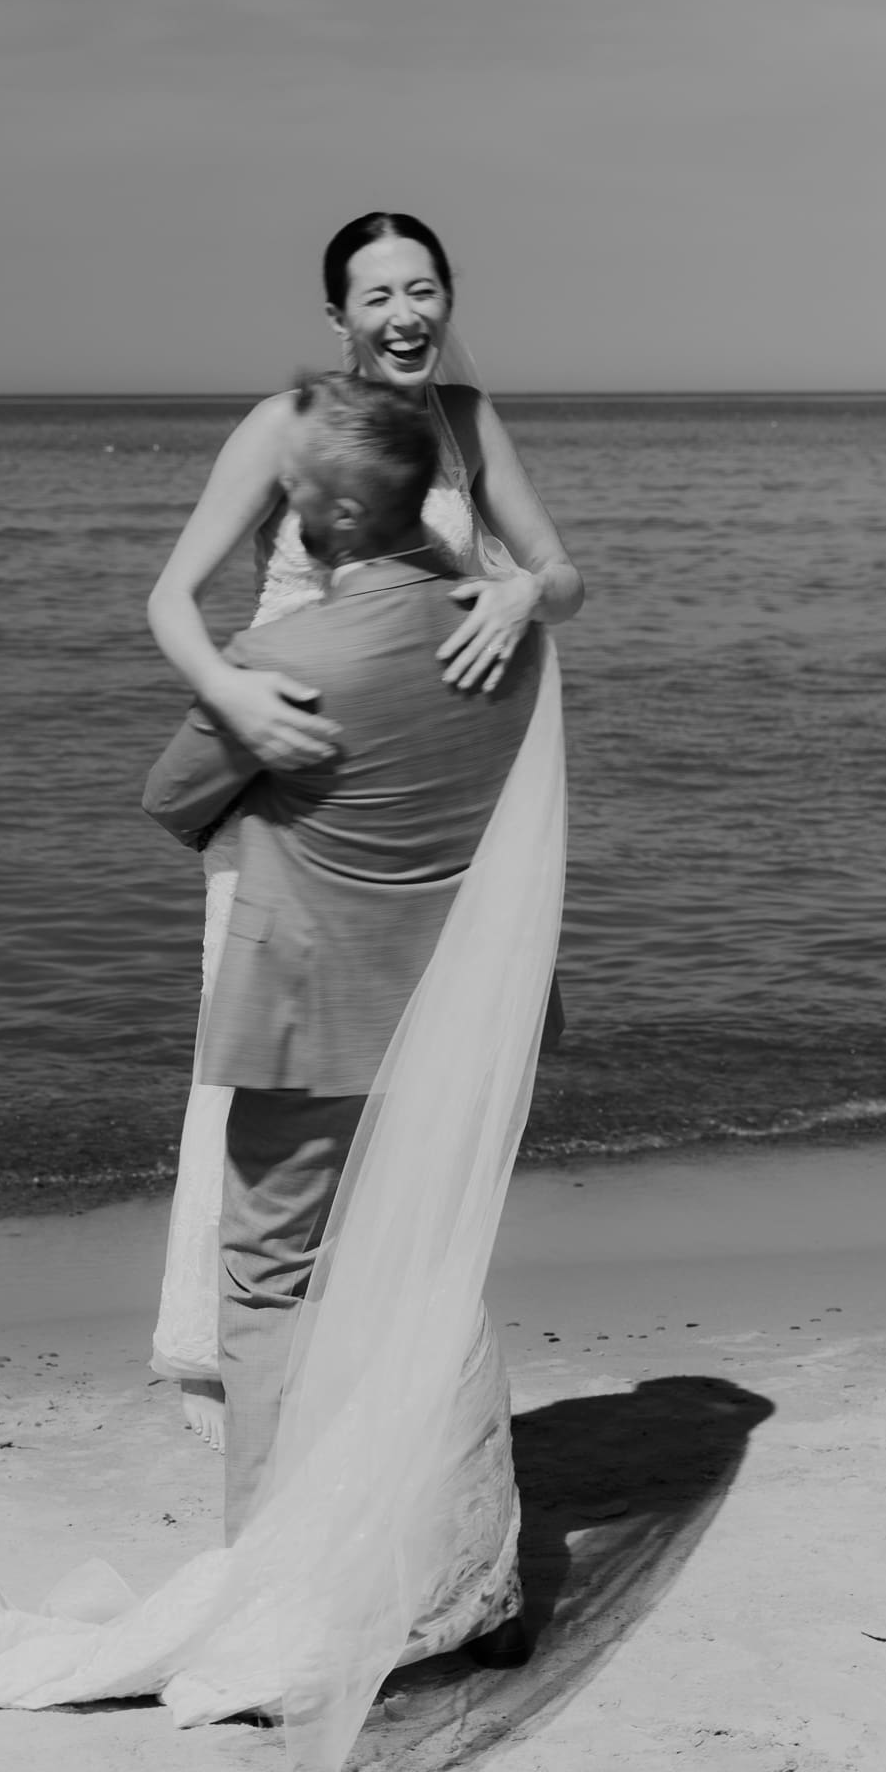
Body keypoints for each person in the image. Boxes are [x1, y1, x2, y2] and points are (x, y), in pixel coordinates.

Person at [0, 376, 569, 1772]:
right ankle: (464, 1579)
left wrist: (244, 706)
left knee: (267, 1292)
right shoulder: (506, 645)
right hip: (447, 1023)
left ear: (328, 508)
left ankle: (276, 1594)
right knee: (425, 1285)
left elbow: (173, 800)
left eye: (301, 493)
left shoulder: (300, 645)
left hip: (312, 1022)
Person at [148, 211, 583, 1450]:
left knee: (404, 1120)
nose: (407, 312)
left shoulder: (467, 419)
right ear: (335, 317)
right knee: (261, 1091)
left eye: (425, 287)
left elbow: (567, 577)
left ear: (449, 299)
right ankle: (242, 1370)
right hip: (294, 804)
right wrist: (231, 691)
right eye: (378, 293)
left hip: (418, 815)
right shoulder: (289, 422)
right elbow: (173, 594)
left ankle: (353, 1382)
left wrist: (518, 583)